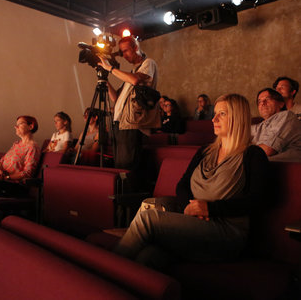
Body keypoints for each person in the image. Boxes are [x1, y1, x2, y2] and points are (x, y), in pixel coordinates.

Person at [113, 94, 269, 270]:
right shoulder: (205, 151)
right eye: (215, 113)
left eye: (222, 114)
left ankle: (106, 275)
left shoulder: (253, 155)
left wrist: (210, 209)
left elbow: (257, 200)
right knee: (148, 256)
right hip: (194, 222)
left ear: (237, 117)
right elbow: (183, 185)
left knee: (148, 219)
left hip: (227, 232)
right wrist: (192, 207)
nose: (214, 118)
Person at [98, 36, 158, 170]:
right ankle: (121, 190)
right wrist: (104, 79)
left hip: (132, 124)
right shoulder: (131, 73)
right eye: (122, 52)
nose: (124, 56)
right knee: (119, 165)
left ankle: (129, 190)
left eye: (126, 51)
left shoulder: (148, 63)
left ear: (136, 48)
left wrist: (110, 68)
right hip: (121, 122)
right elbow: (115, 98)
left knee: (127, 166)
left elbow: (135, 80)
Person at [0, 115, 40, 197]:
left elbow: (27, 173)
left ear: (31, 126)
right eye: (16, 124)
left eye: (20, 124)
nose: (15, 126)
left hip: (14, 186)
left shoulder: (32, 147)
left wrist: (7, 177)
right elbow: (2, 160)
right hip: (1, 180)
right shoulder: (16, 144)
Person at [252, 88, 301, 162]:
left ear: (281, 104)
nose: (262, 103)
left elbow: (267, 150)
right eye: (259, 101)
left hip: (287, 169)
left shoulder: (286, 116)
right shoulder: (260, 126)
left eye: (267, 99)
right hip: (265, 167)